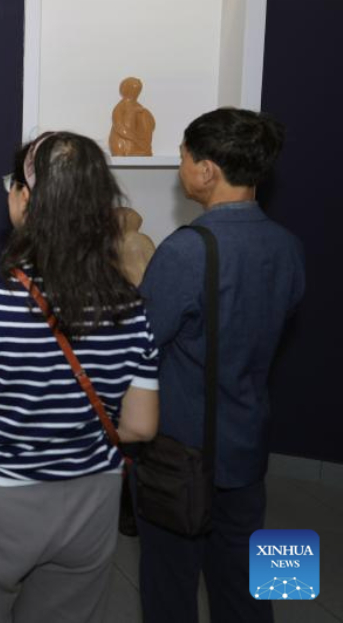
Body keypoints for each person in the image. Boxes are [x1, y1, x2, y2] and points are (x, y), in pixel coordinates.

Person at [0, 132, 160, 622]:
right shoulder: (130, 304)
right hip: (92, 495)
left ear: (26, 199)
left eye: (13, 183)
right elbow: (140, 427)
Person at [135, 108, 305, 623]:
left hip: (183, 452)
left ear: (207, 169)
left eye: (184, 159)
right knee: (257, 580)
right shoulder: (289, 246)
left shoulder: (186, 250)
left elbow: (140, 342)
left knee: (170, 585)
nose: (181, 170)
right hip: (250, 443)